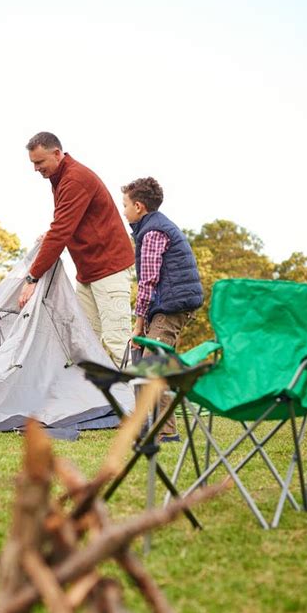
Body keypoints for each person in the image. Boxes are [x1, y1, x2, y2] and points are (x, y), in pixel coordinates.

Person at [18, 132, 134, 367]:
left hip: (110, 269)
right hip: (88, 273)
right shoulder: (59, 179)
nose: (36, 169)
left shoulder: (75, 179)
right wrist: (50, 235)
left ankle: (142, 403)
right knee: (83, 342)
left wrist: (33, 277)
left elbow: (62, 230)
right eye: (33, 163)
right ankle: (97, 402)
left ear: (57, 154)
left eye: (39, 162)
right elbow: (64, 224)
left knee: (117, 342)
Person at [121, 176, 203, 440]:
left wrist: (138, 324)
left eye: (124, 205)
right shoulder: (155, 226)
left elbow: (148, 281)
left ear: (138, 206)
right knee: (157, 365)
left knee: (152, 366)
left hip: (171, 306)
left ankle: (162, 432)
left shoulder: (153, 232)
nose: (123, 211)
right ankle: (162, 430)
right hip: (169, 304)